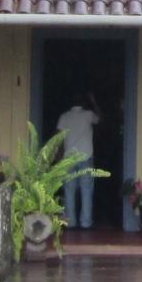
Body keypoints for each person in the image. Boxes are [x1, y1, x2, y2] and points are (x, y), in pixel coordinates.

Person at [56, 93, 101, 229]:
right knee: (86, 191)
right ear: (83, 103)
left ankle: (70, 223)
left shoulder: (64, 117)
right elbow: (100, 118)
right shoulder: (88, 115)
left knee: (69, 191)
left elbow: (59, 139)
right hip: (85, 157)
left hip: (69, 158)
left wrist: (58, 157)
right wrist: (94, 102)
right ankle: (86, 223)